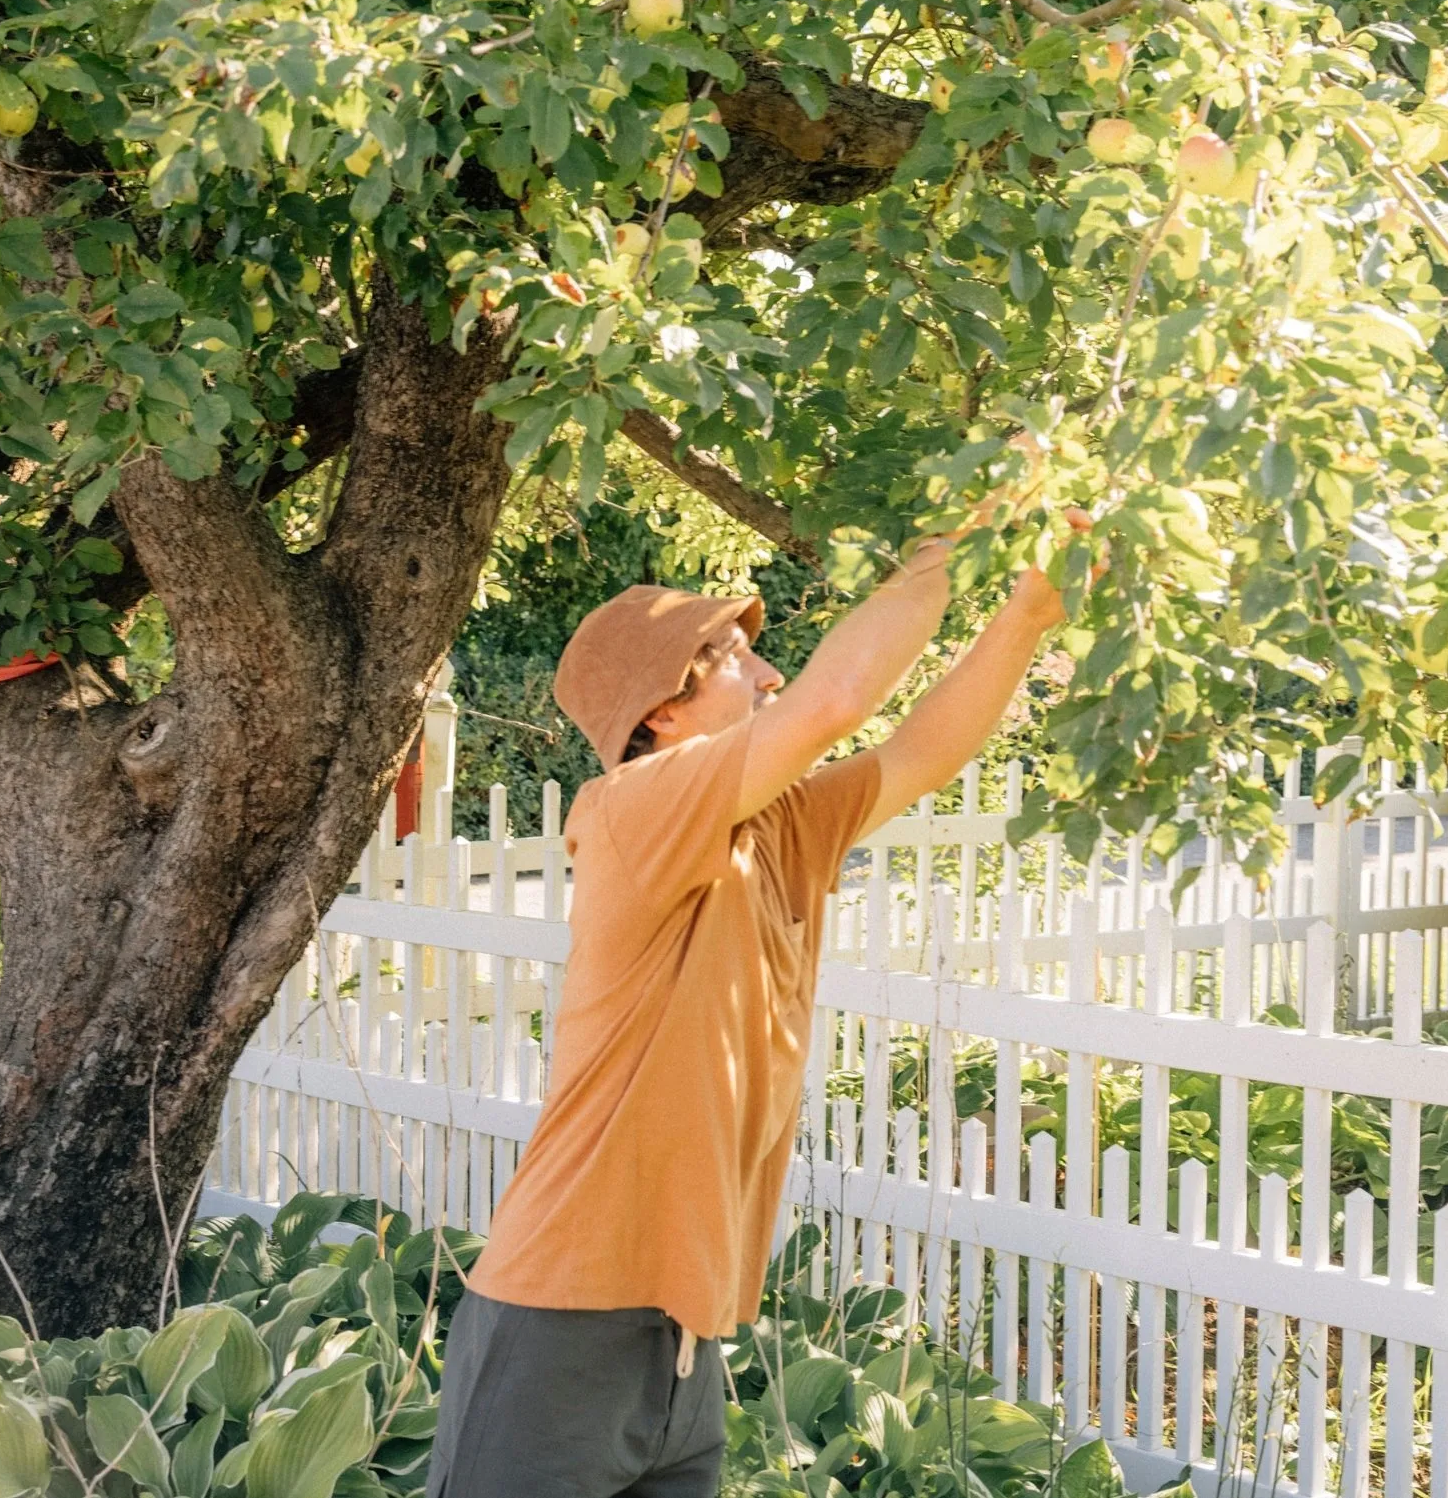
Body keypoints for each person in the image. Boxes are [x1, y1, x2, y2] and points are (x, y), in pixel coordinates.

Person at [427, 533, 1071, 1498]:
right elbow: (839, 699)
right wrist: (954, 540)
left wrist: (1030, 611)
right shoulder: (629, 808)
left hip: (683, 1343)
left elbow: (921, 753)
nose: (769, 671)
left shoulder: (777, 827)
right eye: (734, 655)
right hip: (561, 1322)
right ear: (663, 708)